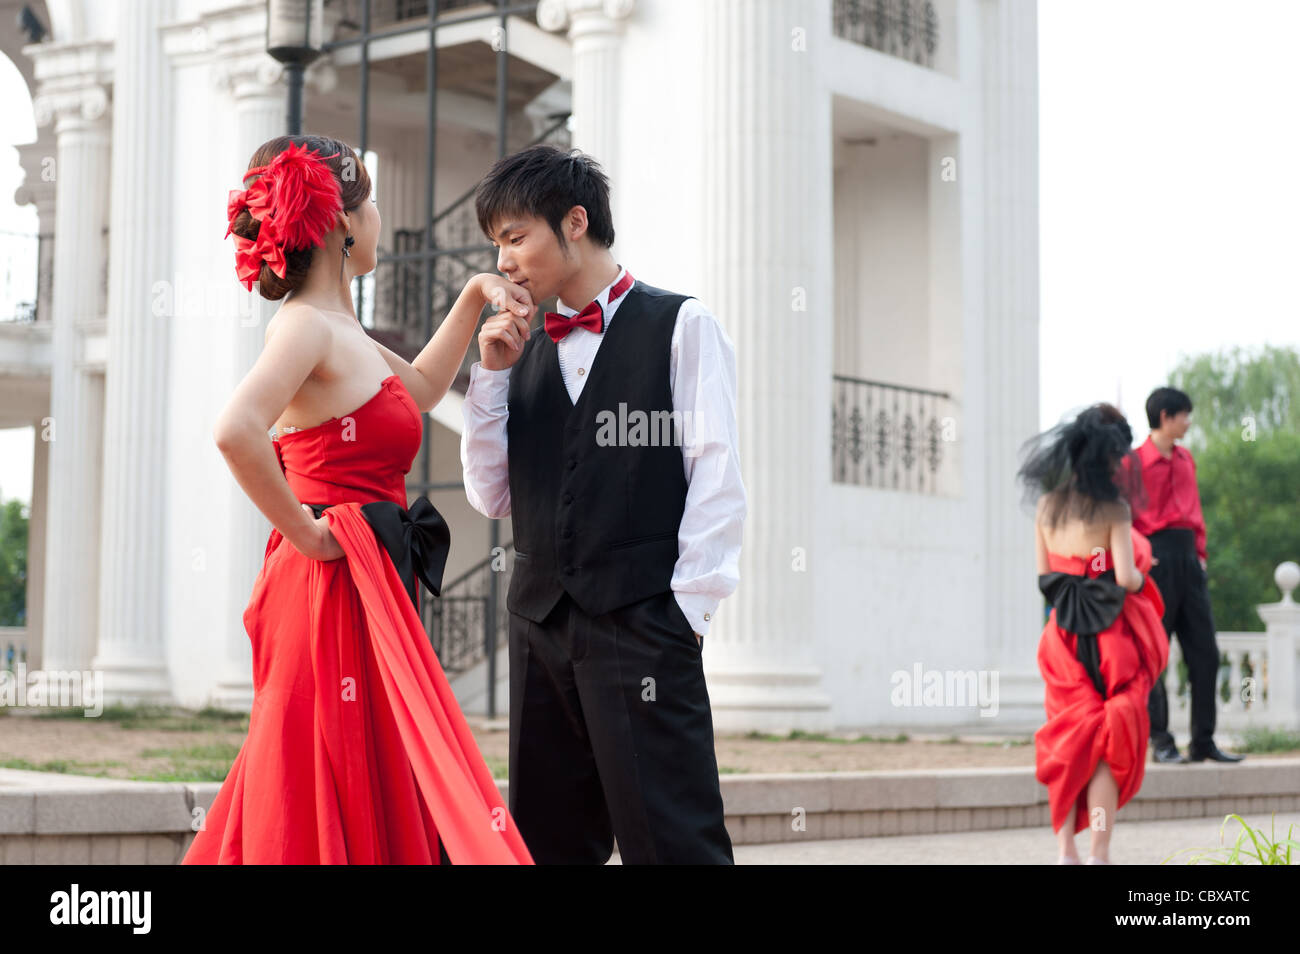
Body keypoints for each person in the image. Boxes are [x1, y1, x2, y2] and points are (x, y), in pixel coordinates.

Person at [183, 135, 535, 864]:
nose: (378, 216)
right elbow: (235, 430)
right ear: (343, 222)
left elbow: (426, 391)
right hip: (327, 585)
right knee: (324, 762)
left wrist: (473, 296)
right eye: (369, 202)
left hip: (370, 580)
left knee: (374, 762)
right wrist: (309, 536)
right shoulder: (307, 327)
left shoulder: (344, 332)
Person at [459, 144, 746, 864]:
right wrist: (489, 379)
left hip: (645, 622)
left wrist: (687, 615)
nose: (505, 261)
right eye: (497, 245)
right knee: (550, 844)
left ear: (575, 222)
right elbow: (491, 494)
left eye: (515, 237)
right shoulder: (515, 348)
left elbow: (716, 477)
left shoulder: (681, 326)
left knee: (675, 841)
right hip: (539, 625)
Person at [1017, 403, 1170, 864]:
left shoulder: (1047, 505)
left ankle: (1066, 851)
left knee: (1068, 737)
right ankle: (1100, 852)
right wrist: (1146, 576)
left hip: (1062, 634)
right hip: (1108, 638)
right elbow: (1123, 577)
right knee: (1108, 740)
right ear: (1110, 455)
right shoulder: (1113, 508)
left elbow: (1045, 574)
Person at [1128, 388, 1242, 765]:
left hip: (1190, 560)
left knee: (1205, 653)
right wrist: (1141, 557)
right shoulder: (1134, 463)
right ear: (1165, 416)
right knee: (1154, 655)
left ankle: (1203, 741)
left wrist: (1201, 556)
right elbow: (1121, 518)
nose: (1188, 422)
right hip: (1154, 561)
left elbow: (1195, 512)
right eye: (1184, 415)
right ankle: (1161, 741)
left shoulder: (1185, 459)